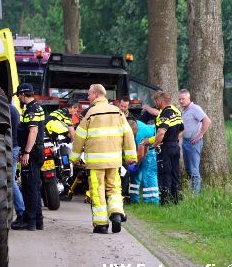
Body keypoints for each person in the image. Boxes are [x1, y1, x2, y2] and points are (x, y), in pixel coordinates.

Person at [71, 84, 137, 234]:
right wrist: (130, 156)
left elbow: (79, 138)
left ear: (95, 94)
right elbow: (128, 135)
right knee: (114, 188)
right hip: (114, 161)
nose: (88, 97)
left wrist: (74, 158)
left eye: (88, 94)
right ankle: (116, 213)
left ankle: (101, 224)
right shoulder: (118, 112)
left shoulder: (90, 114)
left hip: (95, 162)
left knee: (97, 190)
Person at [11, 83, 46, 231]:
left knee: (29, 187)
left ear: (23, 94)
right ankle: (37, 221)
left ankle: (29, 221)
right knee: (35, 187)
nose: (18, 97)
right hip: (36, 151)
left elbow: (33, 132)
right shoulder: (37, 107)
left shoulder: (31, 109)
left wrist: (26, 152)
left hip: (32, 153)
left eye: (19, 95)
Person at [144, 91, 184, 205]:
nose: (155, 104)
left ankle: (165, 203)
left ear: (160, 101)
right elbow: (181, 129)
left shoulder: (164, 114)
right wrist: (174, 140)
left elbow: (161, 132)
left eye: (155, 101)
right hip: (175, 147)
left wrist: (155, 144)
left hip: (165, 149)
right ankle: (176, 202)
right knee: (175, 174)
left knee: (164, 174)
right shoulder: (176, 111)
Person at [178, 89, 211, 194]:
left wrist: (200, 135)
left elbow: (207, 121)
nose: (181, 101)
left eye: (183, 99)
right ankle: (192, 191)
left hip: (194, 143)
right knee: (188, 169)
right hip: (186, 142)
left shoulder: (195, 108)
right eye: (179, 99)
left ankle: (196, 195)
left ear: (188, 98)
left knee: (194, 170)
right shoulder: (184, 110)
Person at [130, 119, 160, 204]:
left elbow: (141, 155)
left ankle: (152, 200)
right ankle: (134, 198)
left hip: (153, 147)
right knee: (138, 173)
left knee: (148, 174)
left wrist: (136, 164)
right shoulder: (136, 123)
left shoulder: (139, 134)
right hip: (149, 145)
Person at [8, 100, 26, 225]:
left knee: (10, 181)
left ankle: (21, 212)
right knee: (10, 181)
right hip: (15, 147)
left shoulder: (5, 109)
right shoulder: (13, 109)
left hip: (10, 148)